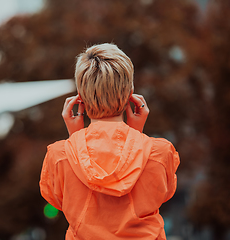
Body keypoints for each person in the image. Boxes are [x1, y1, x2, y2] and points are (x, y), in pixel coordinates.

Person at [39, 43, 180, 240]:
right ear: (130, 93)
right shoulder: (160, 153)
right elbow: (164, 193)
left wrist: (75, 141)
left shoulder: (59, 156)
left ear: (80, 97)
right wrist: (135, 134)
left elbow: (57, 200)